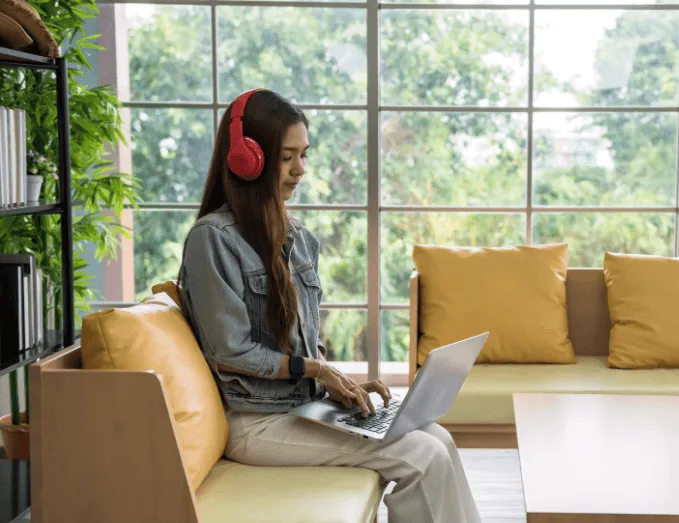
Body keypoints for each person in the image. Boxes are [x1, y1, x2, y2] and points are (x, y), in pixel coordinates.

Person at [178, 88, 481, 523]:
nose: (300, 169)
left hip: (305, 407)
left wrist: (337, 385)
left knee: (438, 438)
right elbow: (231, 350)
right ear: (248, 159)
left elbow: (303, 341)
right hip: (256, 421)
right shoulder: (213, 239)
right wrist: (318, 369)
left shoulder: (299, 237)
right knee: (422, 457)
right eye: (287, 157)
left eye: (304, 154)